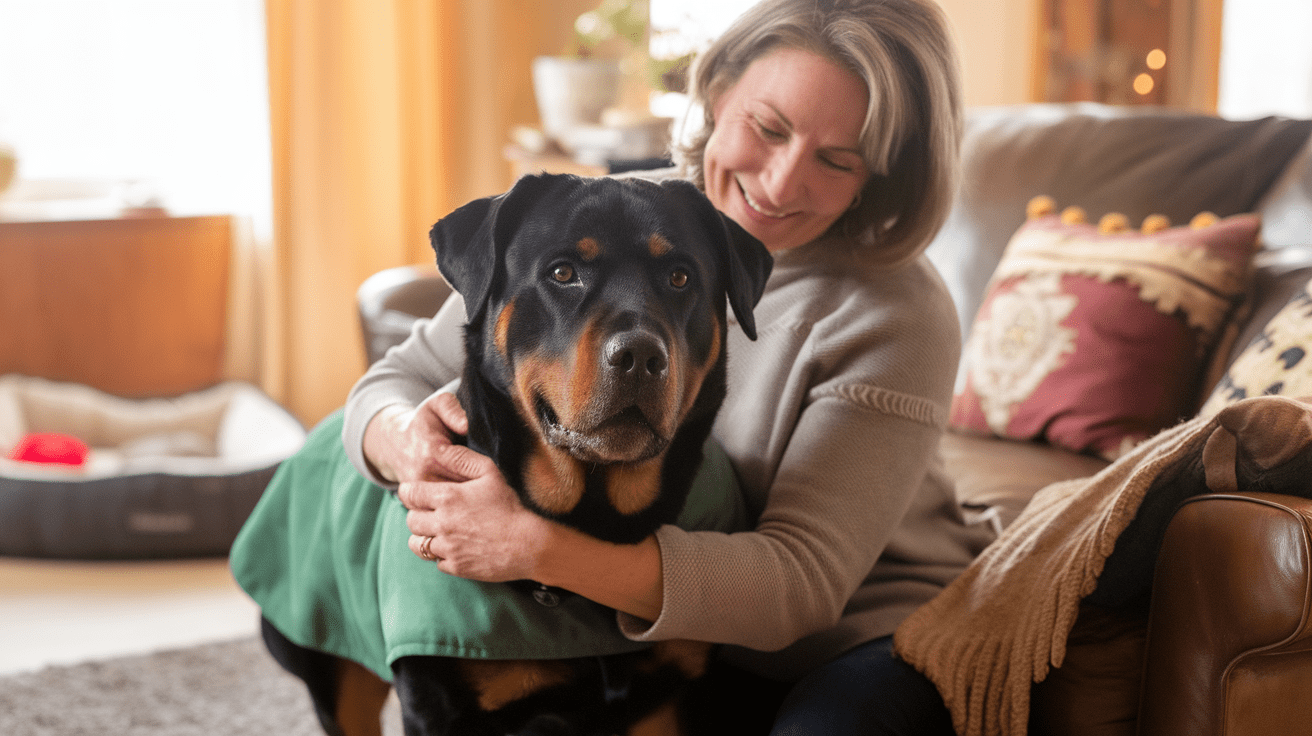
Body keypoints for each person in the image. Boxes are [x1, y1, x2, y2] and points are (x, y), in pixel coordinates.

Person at [259, 0, 994, 733]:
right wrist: (406, 444)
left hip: (849, 633)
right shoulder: (617, 215)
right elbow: (388, 385)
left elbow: (797, 587)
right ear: (716, 94)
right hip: (655, 617)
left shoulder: (899, 312)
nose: (781, 181)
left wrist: (534, 548)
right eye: (767, 128)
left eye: (837, 160)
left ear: (880, 176)